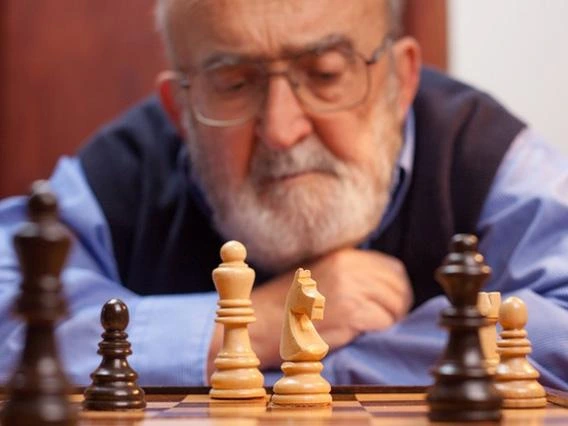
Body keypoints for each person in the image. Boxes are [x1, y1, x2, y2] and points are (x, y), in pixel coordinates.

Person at [1, 0, 567, 388]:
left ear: (401, 79)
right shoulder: (120, 173)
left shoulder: (487, 156)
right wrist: (248, 329)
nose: (280, 127)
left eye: (324, 73)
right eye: (234, 83)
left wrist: (308, 364)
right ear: (179, 109)